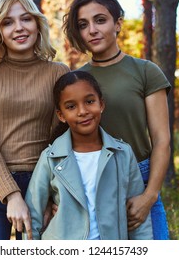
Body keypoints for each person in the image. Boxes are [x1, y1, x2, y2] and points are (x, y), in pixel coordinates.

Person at [62, 0, 171, 240]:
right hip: (91, 183)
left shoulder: (146, 71)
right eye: (83, 24)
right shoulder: (77, 80)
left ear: (117, 23)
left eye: (100, 20)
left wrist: (149, 196)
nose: (92, 30)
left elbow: (161, 140)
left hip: (140, 181)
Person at [0, 0, 69, 240]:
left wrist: (51, 193)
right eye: (8, 22)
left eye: (26, 19)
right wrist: (12, 195)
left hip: (40, 182)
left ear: (37, 23)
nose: (19, 28)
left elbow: (61, 139)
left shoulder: (58, 73)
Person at [24, 71, 153, 240]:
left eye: (89, 102)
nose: (82, 111)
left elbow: (138, 218)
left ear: (101, 104)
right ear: (61, 115)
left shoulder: (123, 154)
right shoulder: (51, 158)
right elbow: (33, 215)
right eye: (71, 107)